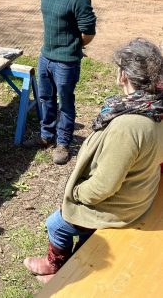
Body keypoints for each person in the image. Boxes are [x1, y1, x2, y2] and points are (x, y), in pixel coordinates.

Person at [24, 38, 163, 283]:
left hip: (119, 206)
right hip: (139, 193)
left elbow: (104, 186)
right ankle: (70, 265)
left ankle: (58, 267)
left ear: (124, 76)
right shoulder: (154, 107)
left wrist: (77, 193)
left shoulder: (128, 126)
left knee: (56, 223)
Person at [24, 0, 96, 165]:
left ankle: (63, 142)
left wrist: (72, 47)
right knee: (45, 98)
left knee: (65, 102)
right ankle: (46, 136)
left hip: (66, 61)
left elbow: (88, 32)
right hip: (45, 56)